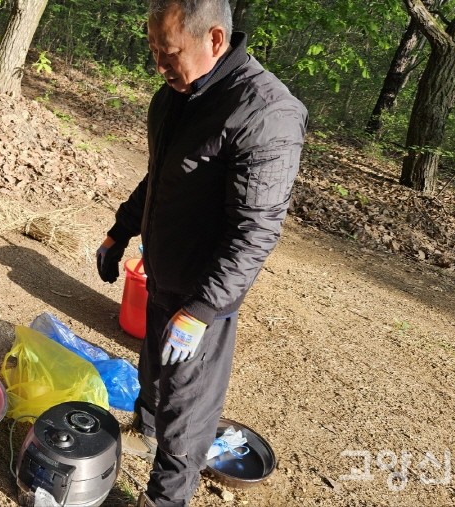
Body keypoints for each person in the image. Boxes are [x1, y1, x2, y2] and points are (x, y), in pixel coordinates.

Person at [95, 1, 307, 505]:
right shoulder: (176, 96)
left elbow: (255, 230)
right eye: (153, 51)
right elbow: (161, 178)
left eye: (168, 53)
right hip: (163, 270)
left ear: (214, 39)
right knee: (151, 368)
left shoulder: (265, 112)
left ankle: (164, 499)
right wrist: (119, 232)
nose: (159, 66)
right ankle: (143, 432)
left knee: (187, 410)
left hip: (204, 293)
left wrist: (202, 310)